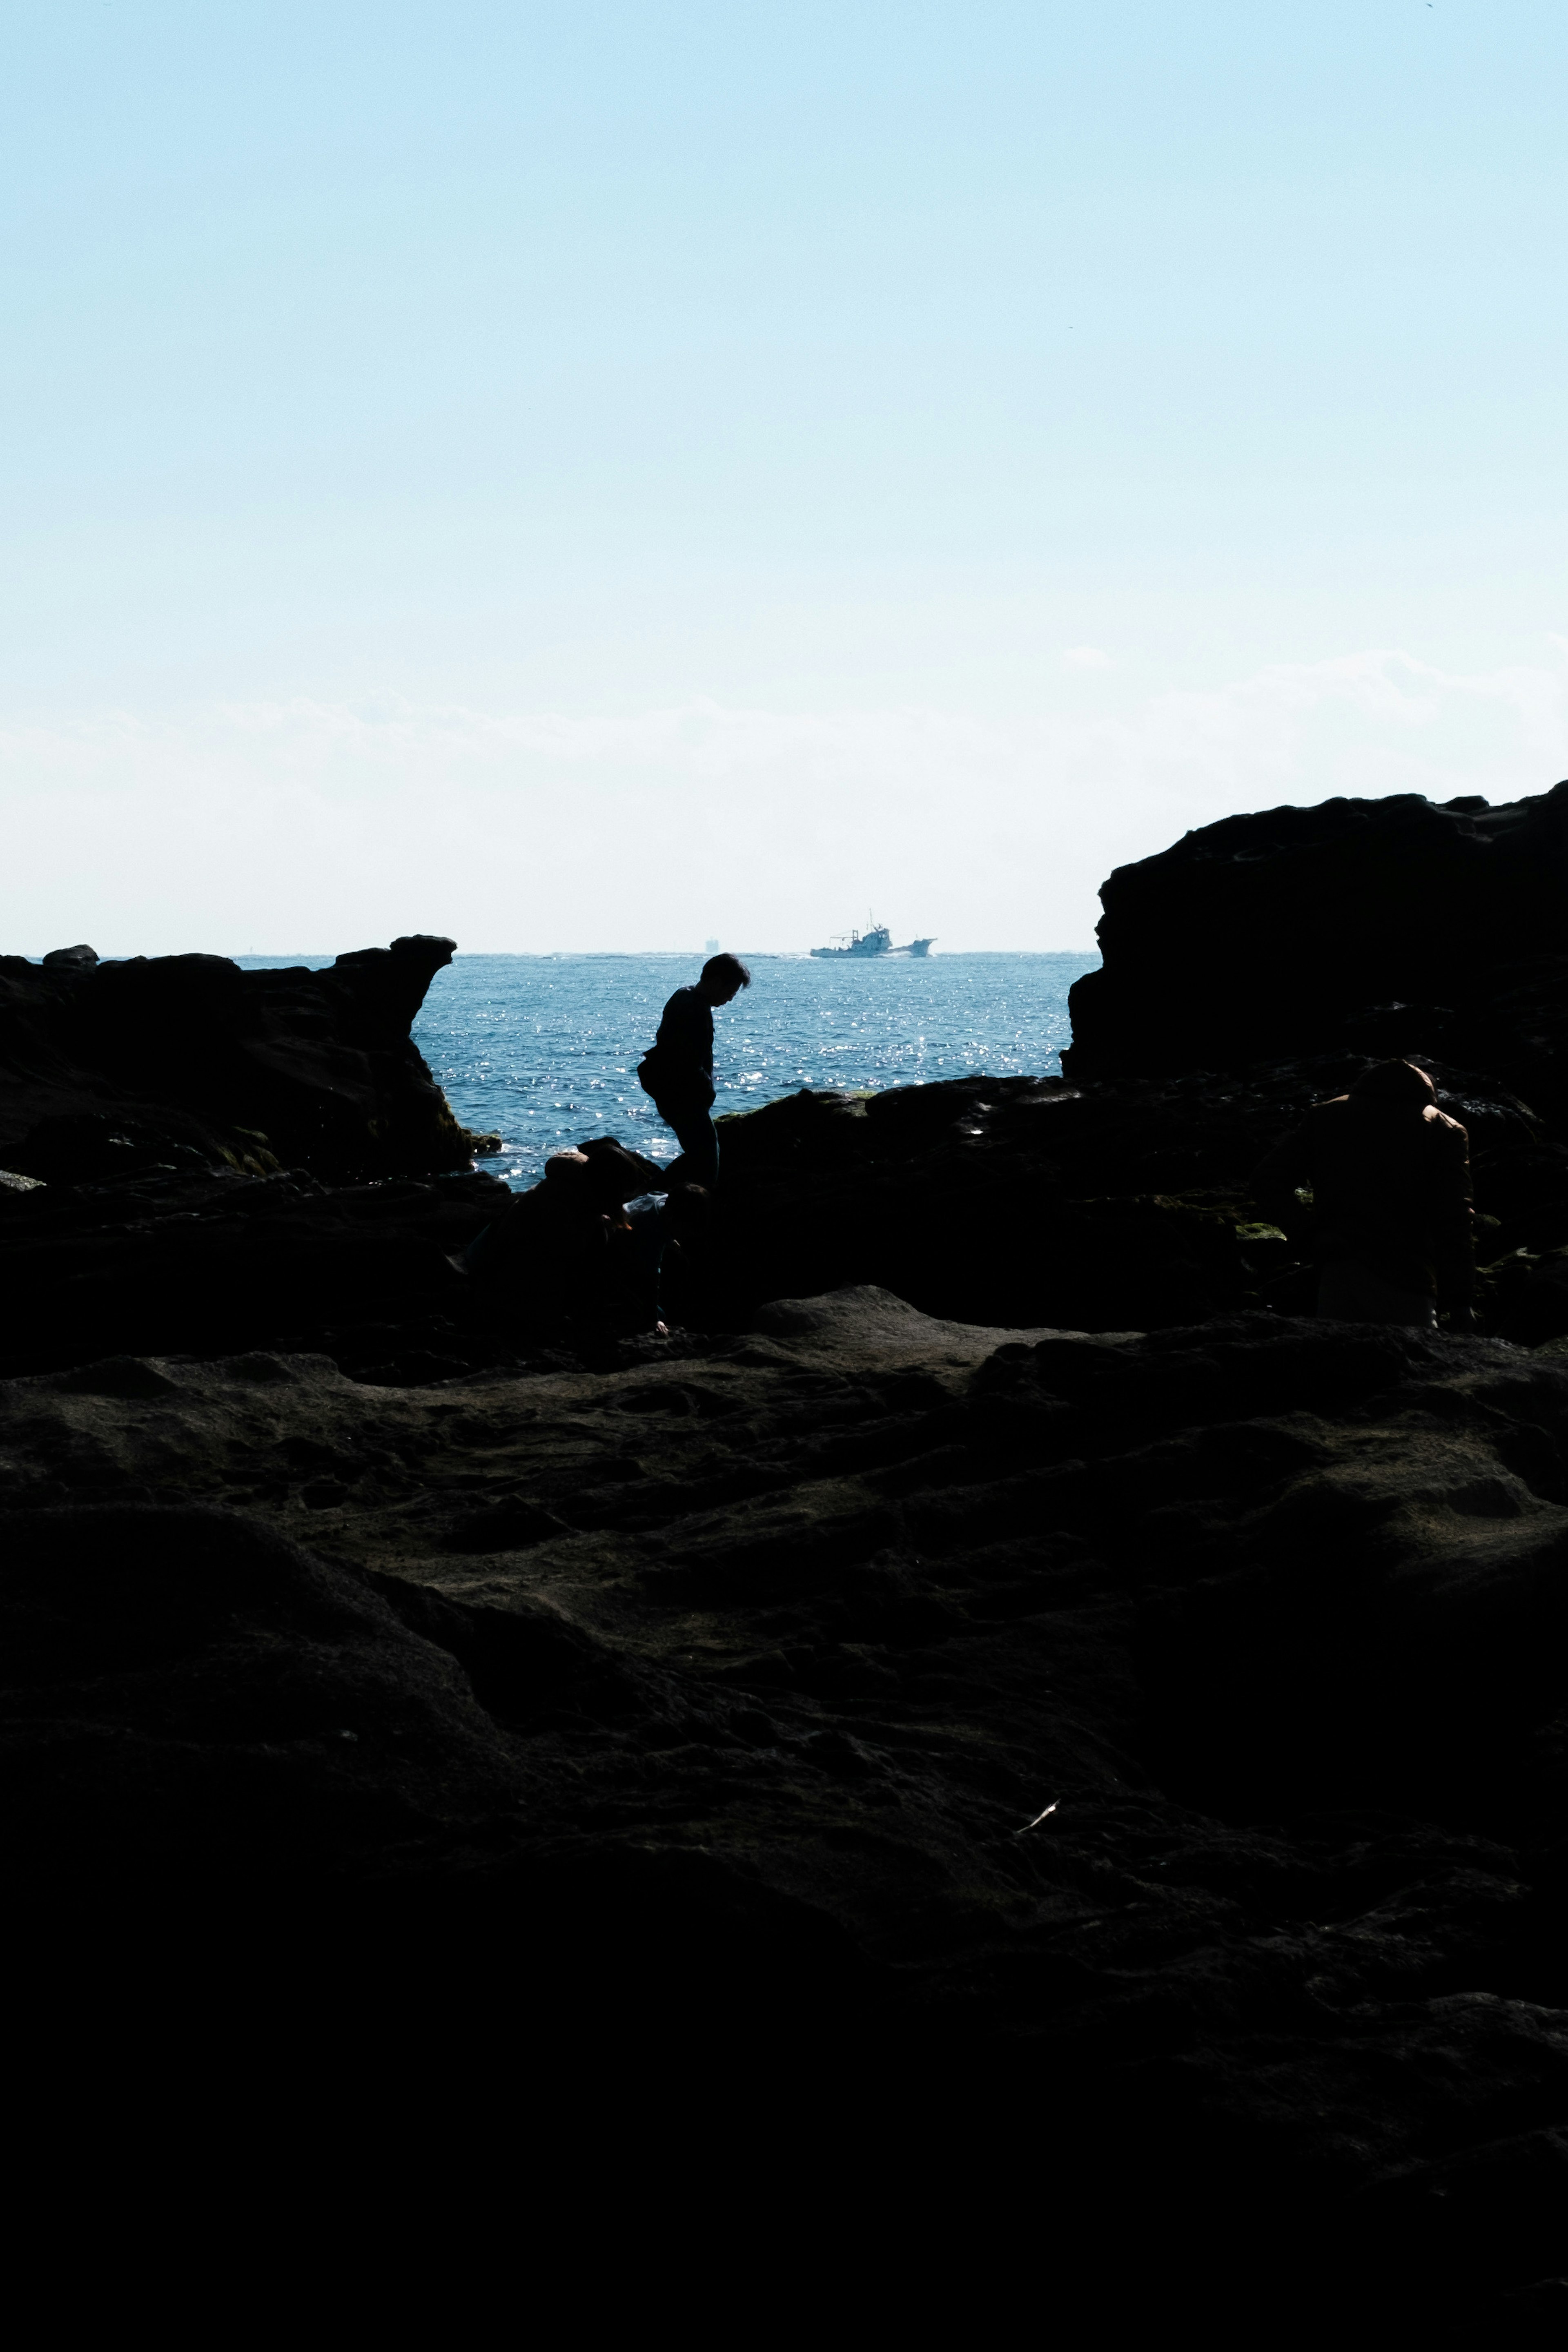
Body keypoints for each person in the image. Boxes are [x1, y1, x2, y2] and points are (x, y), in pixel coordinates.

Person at [1252, 1058, 1474, 1330]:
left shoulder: (1325, 1115)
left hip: (1336, 1266)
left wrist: (1310, 1235)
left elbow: (1267, 1180)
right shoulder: (1443, 1129)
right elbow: (1454, 1217)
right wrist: (1461, 1300)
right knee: (1417, 1364)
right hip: (1408, 1274)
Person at [637, 953, 751, 1189]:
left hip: (676, 1093)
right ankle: (687, 1205)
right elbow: (686, 1061)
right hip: (682, 1097)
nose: (729, 1000)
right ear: (717, 982)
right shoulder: (692, 1007)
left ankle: (658, 1193)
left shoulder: (686, 997)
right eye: (730, 993)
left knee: (701, 1152)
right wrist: (706, 1092)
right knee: (708, 1159)